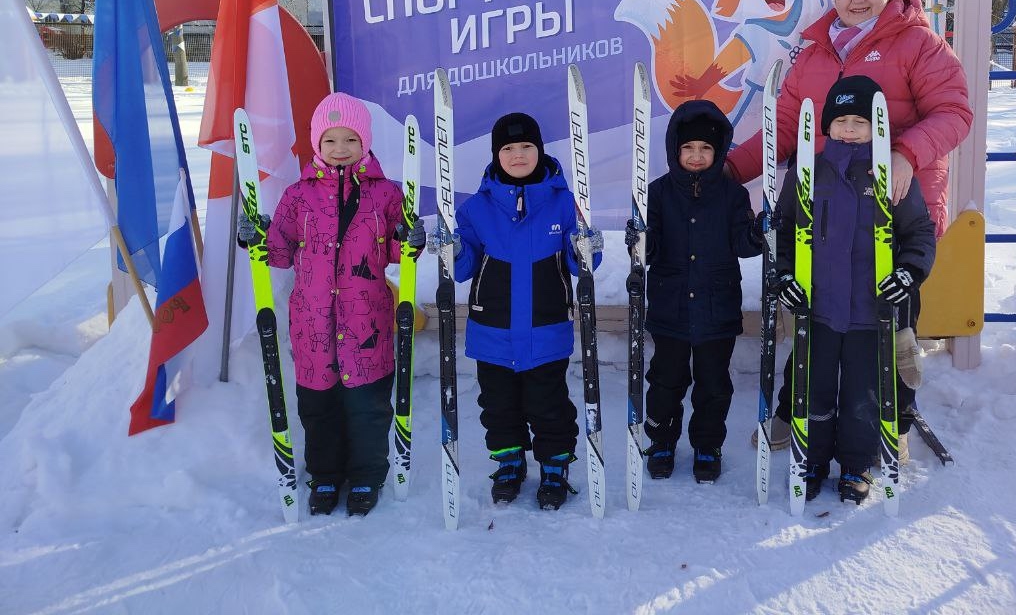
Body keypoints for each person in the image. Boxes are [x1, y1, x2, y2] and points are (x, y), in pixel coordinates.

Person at [728, 0, 972, 451]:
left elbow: (953, 111)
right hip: (828, 211)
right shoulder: (815, 51)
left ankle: (893, 421)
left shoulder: (918, 42)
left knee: (892, 322)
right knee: (817, 319)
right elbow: (785, 127)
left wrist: (904, 154)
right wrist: (729, 171)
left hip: (894, 204)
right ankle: (796, 411)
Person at [238, 92, 417, 517]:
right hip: (313, 329)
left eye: (351, 140)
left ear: (365, 142)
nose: (340, 149)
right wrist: (256, 236)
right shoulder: (298, 196)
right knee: (319, 410)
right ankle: (324, 475)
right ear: (317, 143)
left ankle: (367, 474)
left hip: (367, 327)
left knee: (368, 409)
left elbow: (398, 251)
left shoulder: (385, 194)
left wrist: (411, 238)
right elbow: (278, 252)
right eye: (331, 140)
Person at [772, 76, 937, 502]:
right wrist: (784, 276)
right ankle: (811, 460)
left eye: (860, 122)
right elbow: (784, 232)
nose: (849, 129)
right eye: (841, 120)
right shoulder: (807, 173)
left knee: (863, 395)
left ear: (875, 127)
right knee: (814, 391)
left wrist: (909, 272)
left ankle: (855, 464)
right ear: (826, 125)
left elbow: (919, 232)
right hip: (819, 311)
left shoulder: (891, 174)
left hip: (870, 312)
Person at [431, 112, 602, 510]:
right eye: (508, 148)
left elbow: (581, 266)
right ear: (496, 155)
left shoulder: (565, 204)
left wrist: (587, 247)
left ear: (540, 150)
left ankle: (555, 466)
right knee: (498, 406)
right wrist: (451, 250)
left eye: (526, 146)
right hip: (492, 332)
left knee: (550, 405)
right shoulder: (476, 209)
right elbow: (464, 268)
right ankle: (509, 462)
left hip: (546, 329)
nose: (518, 154)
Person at [627, 101, 765, 484]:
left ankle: (707, 444)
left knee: (713, 385)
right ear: (675, 149)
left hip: (717, 309)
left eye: (705, 148)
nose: (696, 155)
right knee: (665, 381)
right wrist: (638, 240)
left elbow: (742, 244)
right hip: (670, 309)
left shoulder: (733, 195)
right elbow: (649, 252)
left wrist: (758, 232)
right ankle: (661, 442)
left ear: (718, 151)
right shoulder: (656, 194)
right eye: (688, 147)